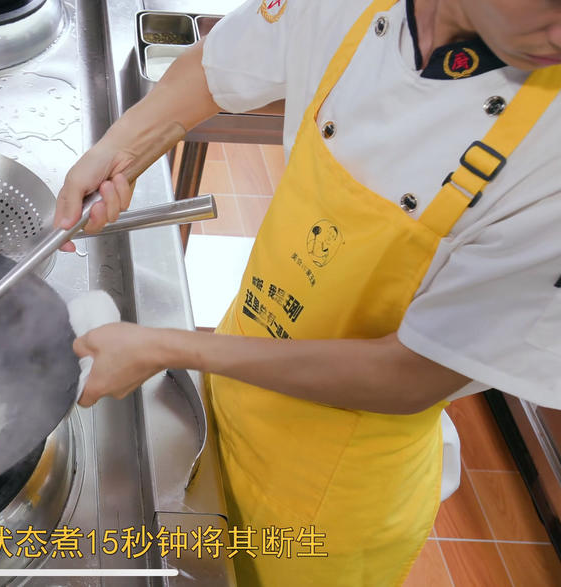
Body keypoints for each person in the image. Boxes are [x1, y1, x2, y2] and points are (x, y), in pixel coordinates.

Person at [53, 0, 561, 584]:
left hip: (334, 491)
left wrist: (170, 348)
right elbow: (216, 69)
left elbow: (412, 376)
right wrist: (121, 149)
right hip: (233, 391)